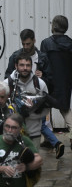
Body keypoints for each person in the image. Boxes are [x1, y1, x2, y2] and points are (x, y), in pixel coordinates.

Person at [4, 29, 63, 157]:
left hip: (37, 101)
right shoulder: (15, 56)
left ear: (34, 41)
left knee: (37, 128)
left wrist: (43, 76)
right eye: (23, 44)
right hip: (19, 102)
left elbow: (51, 80)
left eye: (28, 44)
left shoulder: (42, 57)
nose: (26, 47)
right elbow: (8, 76)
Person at [4, 54, 50, 150]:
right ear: (16, 66)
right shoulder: (7, 84)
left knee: (34, 163)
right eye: (22, 65)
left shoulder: (40, 84)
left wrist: (30, 115)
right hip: (12, 136)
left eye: (28, 65)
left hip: (34, 134)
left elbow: (47, 108)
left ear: (31, 66)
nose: (25, 68)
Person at [40, 15, 72, 151]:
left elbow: (42, 62)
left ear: (53, 26)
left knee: (46, 109)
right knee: (65, 109)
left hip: (49, 81)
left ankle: (47, 139)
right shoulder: (71, 43)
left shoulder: (46, 43)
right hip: (64, 81)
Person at [0, 113, 43, 187]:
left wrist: (27, 167)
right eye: (7, 126)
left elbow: (39, 160)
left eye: (14, 128)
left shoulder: (25, 141)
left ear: (20, 129)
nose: (9, 130)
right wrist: (2, 169)